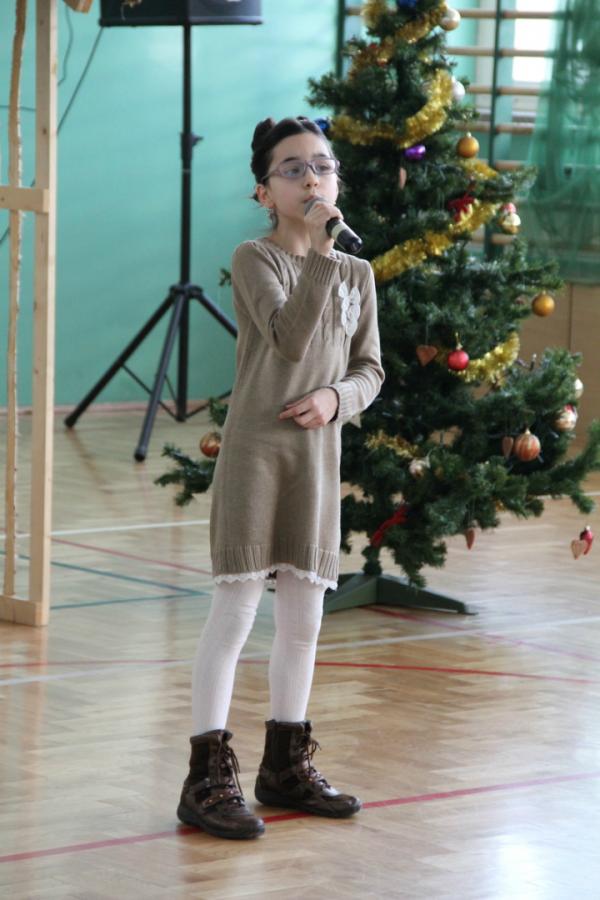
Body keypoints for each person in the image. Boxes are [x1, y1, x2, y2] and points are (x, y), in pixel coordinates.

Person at [177, 116, 385, 840]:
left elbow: (370, 369)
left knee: (304, 618)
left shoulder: (358, 275)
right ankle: (206, 779)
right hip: (256, 455)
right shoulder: (254, 259)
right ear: (264, 192)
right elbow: (290, 339)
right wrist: (323, 253)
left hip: (316, 459)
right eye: (293, 169)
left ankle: (285, 768)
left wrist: (336, 398)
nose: (311, 179)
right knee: (236, 610)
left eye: (322, 166)